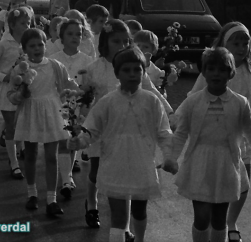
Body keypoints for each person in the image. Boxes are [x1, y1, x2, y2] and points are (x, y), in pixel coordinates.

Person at [188, 22, 251, 240]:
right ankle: (218, 225)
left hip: (244, 141)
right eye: (236, 43)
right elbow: (193, 97)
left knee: (242, 186)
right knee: (216, 188)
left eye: (245, 43)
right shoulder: (214, 68)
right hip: (218, 140)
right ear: (225, 43)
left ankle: (230, 222)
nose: (241, 47)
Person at [69, 47, 173, 242]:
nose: (132, 74)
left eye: (137, 69)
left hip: (142, 165)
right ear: (117, 73)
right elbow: (91, 129)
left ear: (143, 72)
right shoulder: (107, 102)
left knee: (140, 211)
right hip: (114, 165)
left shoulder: (152, 101)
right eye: (127, 70)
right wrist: (79, 141)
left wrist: (168, 156)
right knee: (118, 217)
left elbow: (164, 132)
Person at [168, 47, 251, 242]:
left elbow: (250, 131)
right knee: (201, 217)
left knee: (219, 218)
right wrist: (172, 158)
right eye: (211, 69)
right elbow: (181, 133)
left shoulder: (240, 102)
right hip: (199, 164)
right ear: (204, 72)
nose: (217, 73)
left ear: (231, 73)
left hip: (227, 165)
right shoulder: (193, 102)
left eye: (223, 69)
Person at [15, 28, 80, 216]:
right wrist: (20, 93)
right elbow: (14, 91)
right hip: (31, 111)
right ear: (25, 48)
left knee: (51, 156)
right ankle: (32, 193)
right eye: (32, 46)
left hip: (51, 111)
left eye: (40, 44)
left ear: (45, 45)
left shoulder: (54, 65)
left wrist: (83, 91)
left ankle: (51, 199)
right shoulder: (21, 68)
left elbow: (69, 84)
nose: (37, 48)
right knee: (31, 153)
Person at [49, 18, 93, 197]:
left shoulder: (87, 60)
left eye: (78, 34)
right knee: (62, 141)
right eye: (70, 34)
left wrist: (85, 105)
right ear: (61, 36)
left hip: (78, 105)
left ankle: (67, 176)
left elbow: (89, 86)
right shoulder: (53, 59)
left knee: (72, 139)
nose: (74, 37)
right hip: (57, 105)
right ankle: (66, 179)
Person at [0, 8, 31, 179]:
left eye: (28, 23)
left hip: (25, 89)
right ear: (11, 25)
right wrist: (4, 77)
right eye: (22, 23)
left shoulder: (29, 43)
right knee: (12, 125)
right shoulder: (2, 44)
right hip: (7, 90)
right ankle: (14, 163)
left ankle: (19, 149)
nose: (26, 26)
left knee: (23, 123)